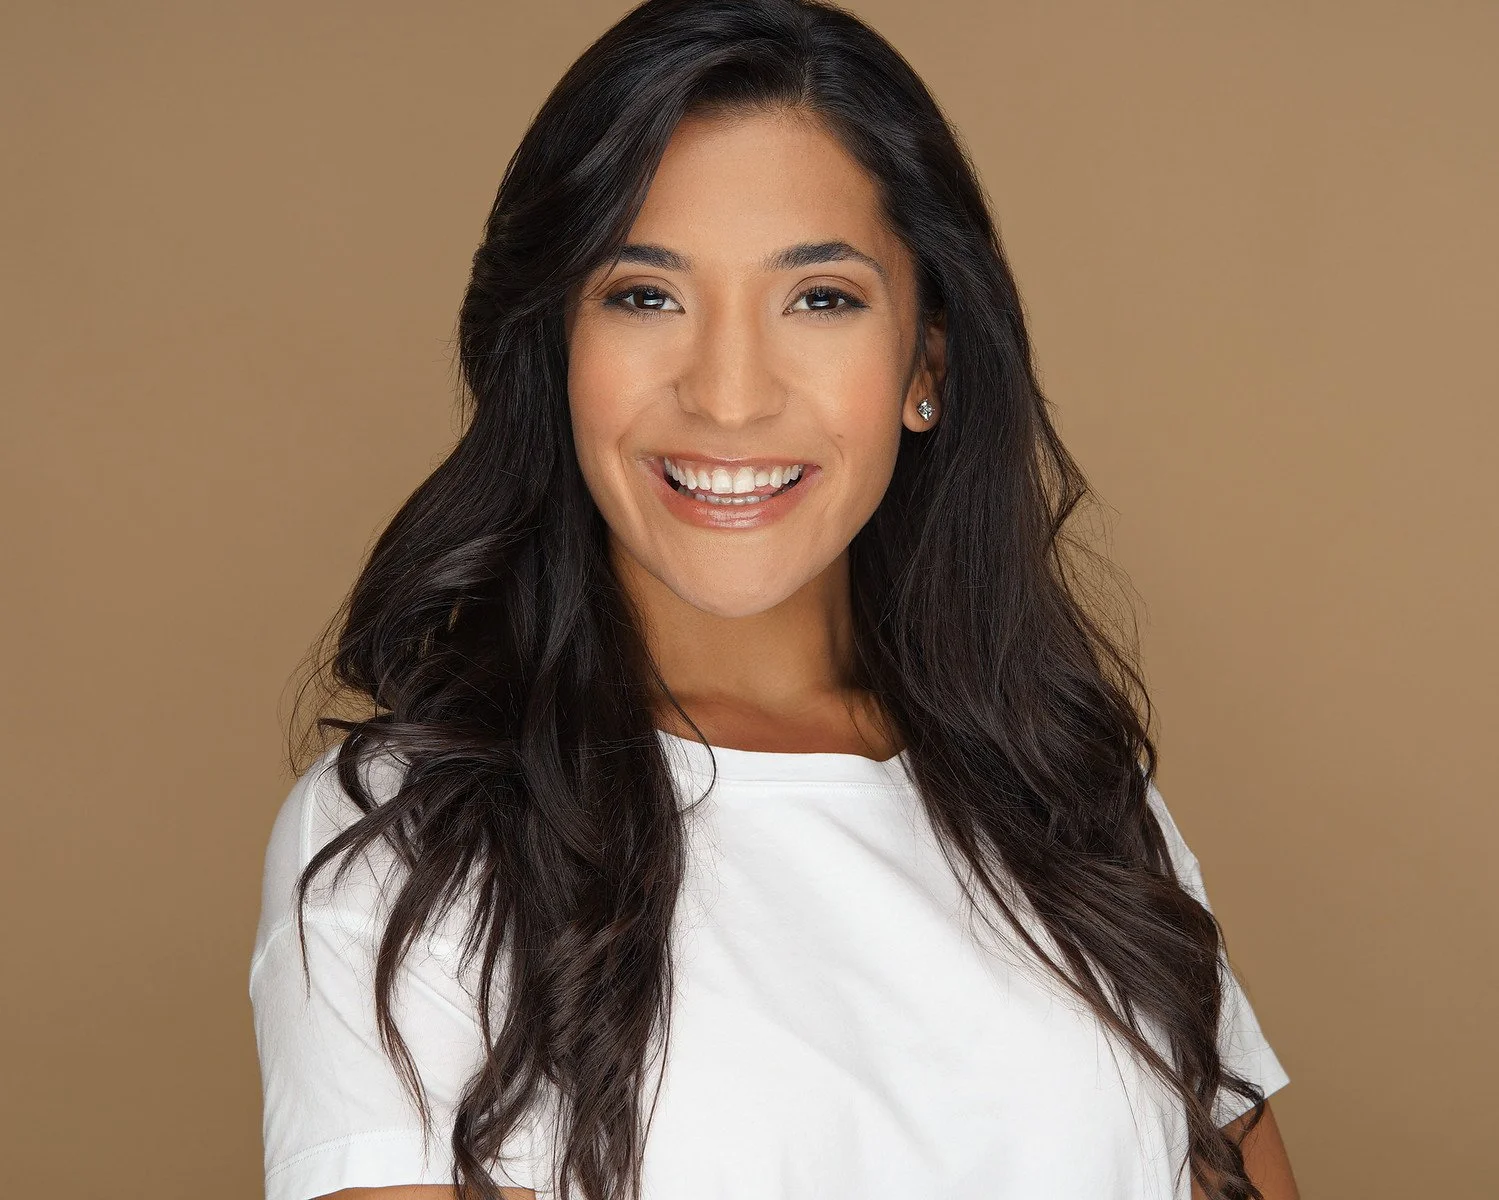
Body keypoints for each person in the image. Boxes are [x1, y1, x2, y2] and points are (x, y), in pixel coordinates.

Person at [248, 1, 1300, 1197]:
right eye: (644, 295)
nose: (730, 396)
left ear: (926, 366)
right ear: (554, 349)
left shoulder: (1071, 796)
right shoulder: (404, 841)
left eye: (819, 299)